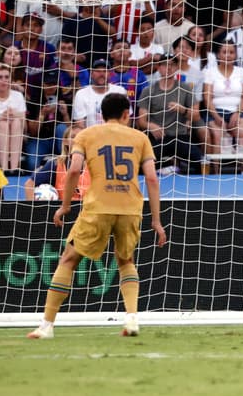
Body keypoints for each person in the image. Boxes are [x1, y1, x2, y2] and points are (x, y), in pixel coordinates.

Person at [29, 92, 166, 339]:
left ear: (101, 115)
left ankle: (47, 325)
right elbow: (153, 179)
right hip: (129, 207)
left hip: (98, 206)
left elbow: (72, 171)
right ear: (127, 115)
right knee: (126, 261)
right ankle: (132, 318)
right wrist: (156, 220)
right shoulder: (140, 138)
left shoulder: (86, 135)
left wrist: (66, 206)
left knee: (68, 260)